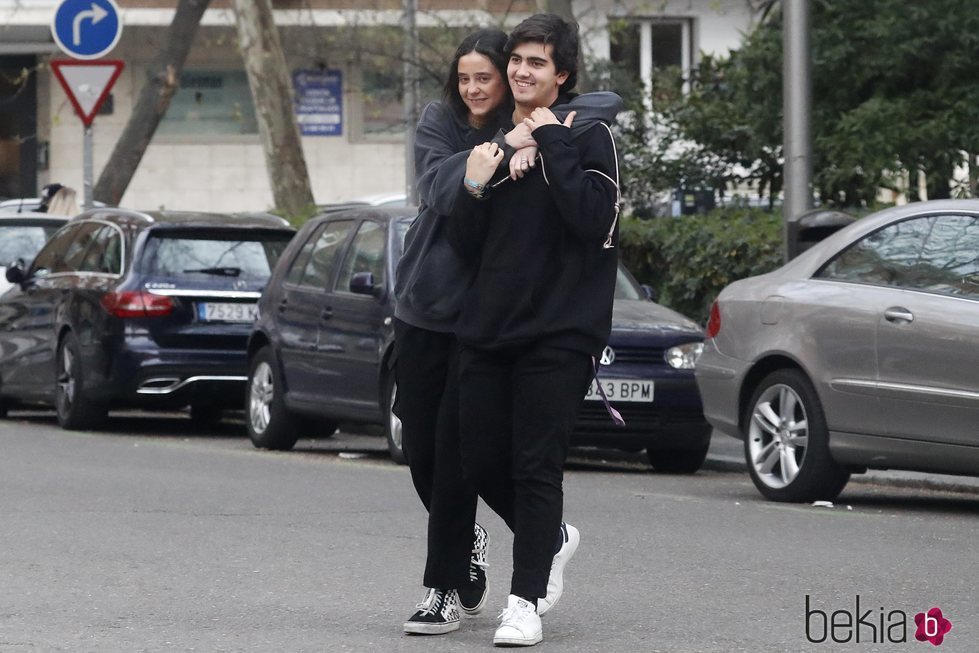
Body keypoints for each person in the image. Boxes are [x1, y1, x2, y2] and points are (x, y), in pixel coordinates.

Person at [394, 28, 622, 637]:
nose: (476, 87)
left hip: (509, 323)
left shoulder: (560, 125)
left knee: (489, 461)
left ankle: (460, 592)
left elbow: (598, 112)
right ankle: (535, 538)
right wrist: (492, 158)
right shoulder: (447, 124)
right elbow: (443, 199)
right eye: (465, 77)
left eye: (487, 76)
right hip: (435, 313)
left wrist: (541, 137)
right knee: (436, 454)